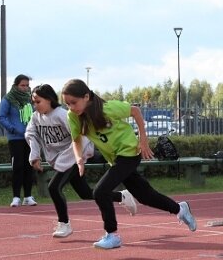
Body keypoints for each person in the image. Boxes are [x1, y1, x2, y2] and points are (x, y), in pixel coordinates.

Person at [61, 79, 196, 249]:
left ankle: (112, 235)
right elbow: (76, 140)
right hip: (116, 158)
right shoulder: (73, 116)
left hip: (129, 152)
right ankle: (180, 209)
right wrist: (79, 158)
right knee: (145, 196)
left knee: (100, 191)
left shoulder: (108, 108)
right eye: (67, 104)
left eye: (74, 102)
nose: (71, 107)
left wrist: (143, 140)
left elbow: (136, 111)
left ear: (86, 97)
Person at [25, 84, 137, 238]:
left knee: (53, 187)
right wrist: (35, 156)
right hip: (60, 160)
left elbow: (82, 138)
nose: (35, 105)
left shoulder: (61, 115)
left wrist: (78, 158)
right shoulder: (36, 118)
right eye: (33, 102)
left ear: (49, 100)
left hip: (71, 158)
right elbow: (31, 135)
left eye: (38, 102)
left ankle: (64, 224)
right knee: (85, 193)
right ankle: (121, 196)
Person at [0, 74, 37, 207]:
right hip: (15, 138)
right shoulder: (8, 99)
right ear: (16, 85)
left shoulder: (30, 99)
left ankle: (28, 196)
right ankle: (16, 197)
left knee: (29, 166)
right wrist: (13, 129)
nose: (25, 88)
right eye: (22, 85)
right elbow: (1, 117)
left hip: (29, 138)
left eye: (27, 85)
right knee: (18, 166)